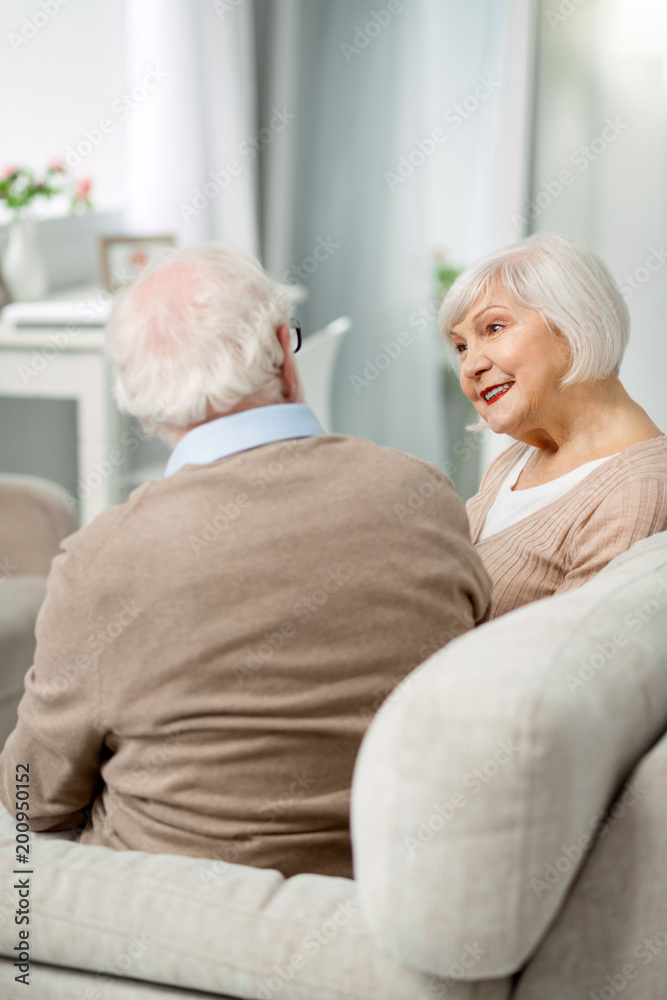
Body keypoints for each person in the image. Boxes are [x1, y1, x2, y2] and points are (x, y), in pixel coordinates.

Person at [0, 242, 491, 879]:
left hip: (163, 913)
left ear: (142, 403)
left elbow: (30, 801)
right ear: (286, 352)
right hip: (391, 884)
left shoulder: (100, 560)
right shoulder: (422, 493)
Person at [439, 232, 667, 620]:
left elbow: (572, 663)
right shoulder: (517, 459)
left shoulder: (639, 489)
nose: (470, 365)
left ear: (576, 322)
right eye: (461, 346)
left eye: (494, 328)